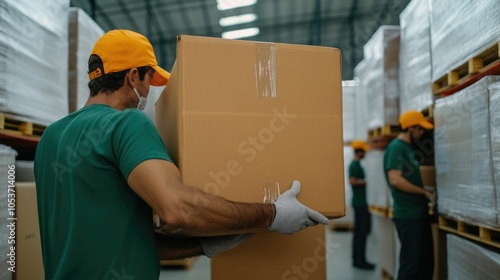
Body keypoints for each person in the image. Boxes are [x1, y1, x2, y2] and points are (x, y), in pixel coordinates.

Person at [33, 29, 328, 279]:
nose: (149, 92)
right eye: (149, 80)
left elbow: (116, 240)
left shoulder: (50, 138)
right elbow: (177, 208)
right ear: (133, 77)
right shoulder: (125, 123)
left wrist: (204, 245)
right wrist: (273, 215)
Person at [383, 110, 436, 280]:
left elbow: (407, 178)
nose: (422, 133)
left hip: (418, 214)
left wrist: (424, 188)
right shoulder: (397, 147)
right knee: (411, 266)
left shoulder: (407, 148)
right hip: (408, 216)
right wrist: (424, 192)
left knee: (425, 264)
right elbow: (395, 179)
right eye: (419, 129)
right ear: (410, 128)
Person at [348, 140, 375, 270]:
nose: (365, 154)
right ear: (359, 152)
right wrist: (365, 182)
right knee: (361, 232)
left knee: (360, 232)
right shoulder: (354, 165)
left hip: (361, 202)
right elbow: (352, 181)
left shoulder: (357, 164)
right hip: (360, 203)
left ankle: (358, 259)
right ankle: (360, 260)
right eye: (363, 151)